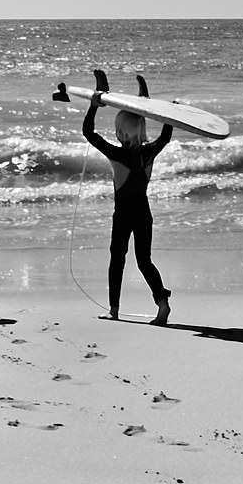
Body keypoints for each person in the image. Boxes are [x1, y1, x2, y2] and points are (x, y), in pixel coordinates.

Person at [82, 70, 174, 325]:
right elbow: (165, 136)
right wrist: (168, 114)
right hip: (143, 213)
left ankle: (114, 310)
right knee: (144, 260)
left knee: (117, 259)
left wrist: (93, 106)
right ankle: (162, 303)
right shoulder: (149, 152)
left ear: (120, 132)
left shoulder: (116, 154)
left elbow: (88, 133)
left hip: (123, 215)